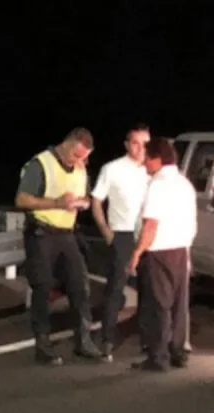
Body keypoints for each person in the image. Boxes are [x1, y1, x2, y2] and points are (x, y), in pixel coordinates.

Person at [15, 127, 103, 365]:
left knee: (80, 285)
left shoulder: (81, 167)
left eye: (84, 157)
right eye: (76, 155)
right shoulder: (41, 164)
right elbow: (22, 199)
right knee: (42, 289)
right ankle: (42, 346)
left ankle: (84, 341)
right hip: (42, 233)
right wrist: (56, 202)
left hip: (67, 234)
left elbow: (83, 195)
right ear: (67, 143)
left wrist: (82, 202)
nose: (79, 161)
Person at [126, 137, 197, 371]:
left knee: (159, 305)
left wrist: (137, 253)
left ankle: (158, 357)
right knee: (178, 304)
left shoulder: (158, 185)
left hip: (159, 251)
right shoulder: (184, 184)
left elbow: (150, 224)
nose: (144, 163)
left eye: (147, 158)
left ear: (156, 159)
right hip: (181, 250)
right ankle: (178, 352)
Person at [90, 124, 151, 360]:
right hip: (122, 234)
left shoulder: (152, 170)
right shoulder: (112, 169)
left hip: (146, 234)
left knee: (149, 289)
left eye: (145, 143)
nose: (141, 148)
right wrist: (106, 230)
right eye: (136, 142)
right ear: (127, 145)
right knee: (116, 288)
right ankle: (107, 339)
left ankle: (148, 341)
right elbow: (96, 201)